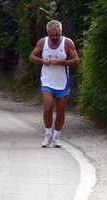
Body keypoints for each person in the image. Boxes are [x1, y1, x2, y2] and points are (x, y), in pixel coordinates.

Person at [29, 20, 80, 148]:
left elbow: (76, 61)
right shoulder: (43, 42)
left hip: (62, 81)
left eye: (57, 35)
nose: (54, 38)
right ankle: (47, 135)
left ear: (61, 32)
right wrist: (42, 61)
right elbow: (32, 57)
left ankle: (56, 137)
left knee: (61, 111)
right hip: (47, 80)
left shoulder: (67, 43)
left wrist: (61, 62)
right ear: (48, 34)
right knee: (48, 106)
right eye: (52, 35)